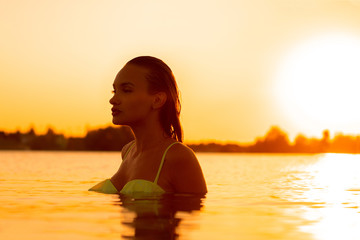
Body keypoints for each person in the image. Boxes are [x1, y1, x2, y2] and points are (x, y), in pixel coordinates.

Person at [89, 56, 207, 195]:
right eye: (114, 91)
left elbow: (195, 213)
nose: (113, 100)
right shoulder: (127, 151)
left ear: (157, 100)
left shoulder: (177, 156)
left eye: (126, 90)